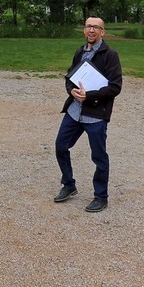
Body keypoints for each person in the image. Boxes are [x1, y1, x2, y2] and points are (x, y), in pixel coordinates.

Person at [53, 16, 122, 212]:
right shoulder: (79, 52)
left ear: (102, 32)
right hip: (74, 112)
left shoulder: (110, 55)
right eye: (88, 26)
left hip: (95, 115)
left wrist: (89, 96)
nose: (91, 30)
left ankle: (101, 196)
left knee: (99, 157)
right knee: (61, 146)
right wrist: (71, 90)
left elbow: (115, 87)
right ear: (84, 30)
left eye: (96, 27)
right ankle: (69, 184)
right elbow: (70, 77)